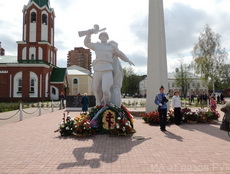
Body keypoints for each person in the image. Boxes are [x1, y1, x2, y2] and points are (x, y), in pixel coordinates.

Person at [84, 28, 134, 106]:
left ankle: (106, 105)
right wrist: (89, 34)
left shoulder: (112, 47)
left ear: (107, 38)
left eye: (105, 36)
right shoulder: (96, 45)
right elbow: (86, 43)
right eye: (101, 36)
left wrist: (127, 60)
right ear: (99, 38)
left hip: (107, 70)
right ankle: (98, 104)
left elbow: (120, 54)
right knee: (96, 90)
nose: (103, 38)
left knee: (106, 90)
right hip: (98, 70)